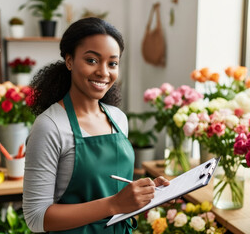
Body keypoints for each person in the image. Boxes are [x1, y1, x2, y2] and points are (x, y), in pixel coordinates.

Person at [23, 17, 170, 234]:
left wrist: (145, 193)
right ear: (70, 60)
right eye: (92, 60)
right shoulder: (50, 126)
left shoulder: (118, 119)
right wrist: (115, 204)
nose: (103, 72)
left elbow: (110, 189)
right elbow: (36, 218)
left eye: (112, 63)